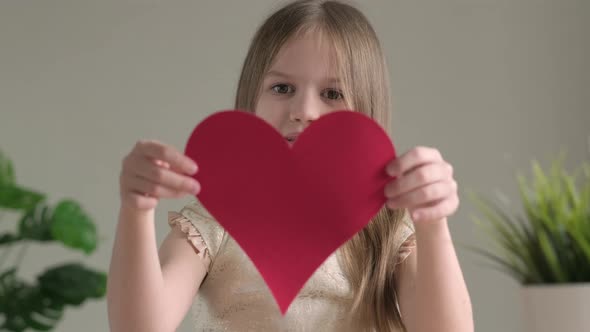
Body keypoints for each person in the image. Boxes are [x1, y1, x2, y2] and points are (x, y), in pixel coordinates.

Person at [107, 1, 473, 331]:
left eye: (332, 93)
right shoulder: (216, 224)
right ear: (251, 98)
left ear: (366, 110)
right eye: (282, 88)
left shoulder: (390, 228)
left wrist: (433, 223)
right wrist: (136, 210)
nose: (304, 112)